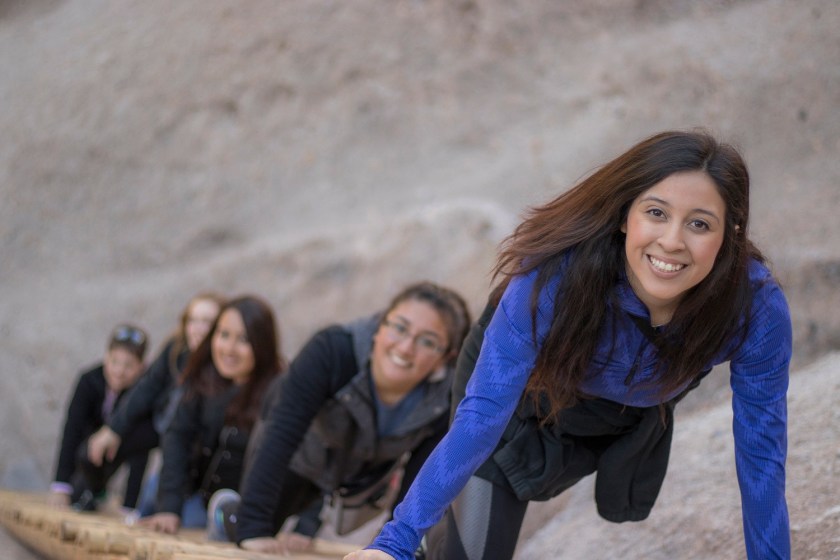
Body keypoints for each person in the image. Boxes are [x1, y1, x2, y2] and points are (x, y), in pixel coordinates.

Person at [344, 130, 792, 560]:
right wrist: (395, 542)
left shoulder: (754, 309)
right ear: (624, 216)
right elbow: (482, 417)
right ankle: (429, 537)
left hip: (614, 418)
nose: (672, 241)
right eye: (656, 213)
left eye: (699, 223)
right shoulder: (552, 279)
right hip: (514, 400)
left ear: (731, 233)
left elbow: (761, 454)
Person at [212, 281, 471, 555]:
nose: (406, 347)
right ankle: (227, 512)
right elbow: (281, 432)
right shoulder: (332, 350)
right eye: (399, 327)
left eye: (427, 341)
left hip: (357, 475)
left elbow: (420, 479)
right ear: (379, 325)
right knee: (250, 529)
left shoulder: (446, 399)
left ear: (446, 357)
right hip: (298, 455)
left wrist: (393, 548)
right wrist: (253, 528)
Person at [141, 295, 284, 534]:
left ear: (262, 344)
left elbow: (307, 457)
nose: (228, 348)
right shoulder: (202, 376)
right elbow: (177, 438)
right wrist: (169, 508)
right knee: (154, 491)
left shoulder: (280, 391)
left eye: (244, 339)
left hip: (239, 512)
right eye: (223, 335)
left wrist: (305, 527)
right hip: (191, 494)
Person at [86, 292, 225, 515]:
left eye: (207, 322)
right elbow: (147, 388)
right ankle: (90, 494)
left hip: (189, 449)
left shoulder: (221, 365)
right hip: (161, 424)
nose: (198, 328)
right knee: (97, 450)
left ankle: (136, 507)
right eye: (193, 320)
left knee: (160, 503)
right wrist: (113, 429)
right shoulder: (177, 348)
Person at [48, 324, 151, 512]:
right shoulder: (88, 381)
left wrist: (129, 506)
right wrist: (61, 485)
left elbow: (141, 453)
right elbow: (72, 431)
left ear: (142, 367)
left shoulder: (143, 392)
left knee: (140, 442)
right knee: (77, 497)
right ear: (105, 357)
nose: (119, 371)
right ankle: (95, 491)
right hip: (88, 453)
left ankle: (124, 502)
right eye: (114, 362)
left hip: (121, 449)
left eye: (129, 365)